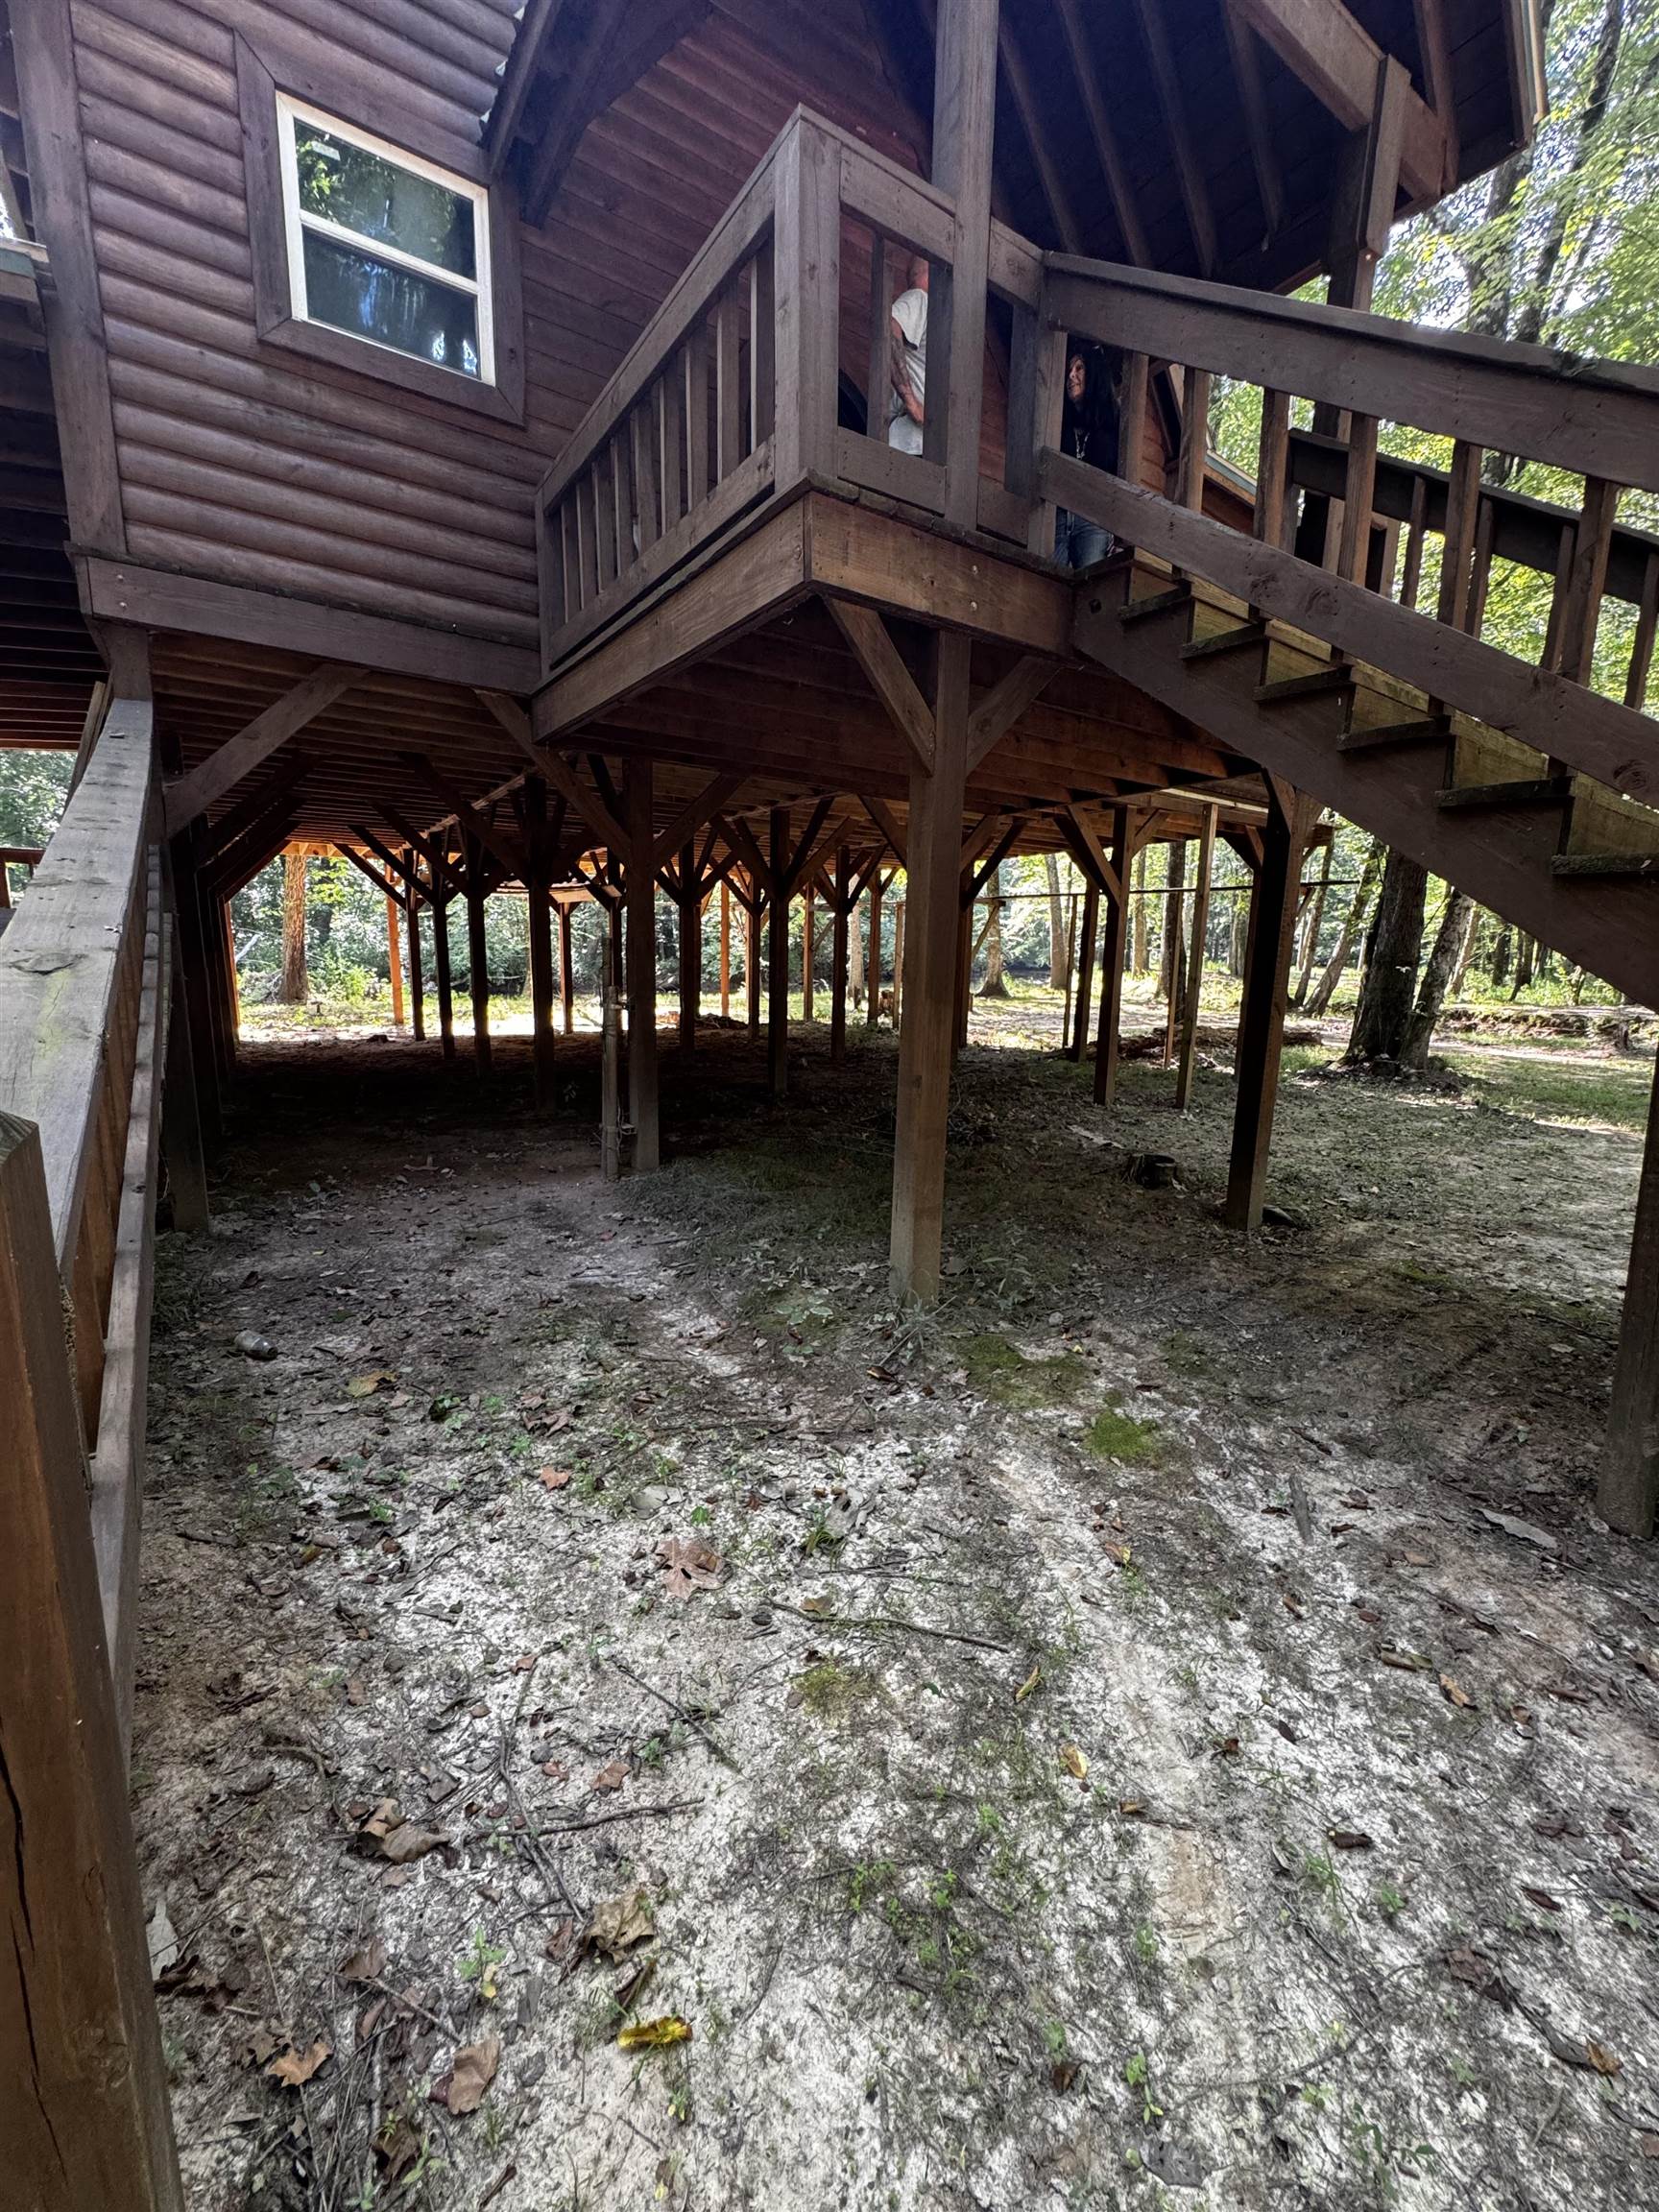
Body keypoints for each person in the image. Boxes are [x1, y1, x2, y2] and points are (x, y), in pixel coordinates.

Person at [1054, 345, 1119, 569]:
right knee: (1049, 583)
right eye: (1069, 369)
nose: (1071, 375)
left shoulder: (1113, 424)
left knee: (1089, 586)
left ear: (1094, 375)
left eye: (1079, 368)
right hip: (1059, 515)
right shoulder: (1057, 421)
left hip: (1094, 518)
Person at [886, 254, 928, 455]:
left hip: (918, 444)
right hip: (910, 443)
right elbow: (889, 326)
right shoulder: (920, 297)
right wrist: (911, 402)